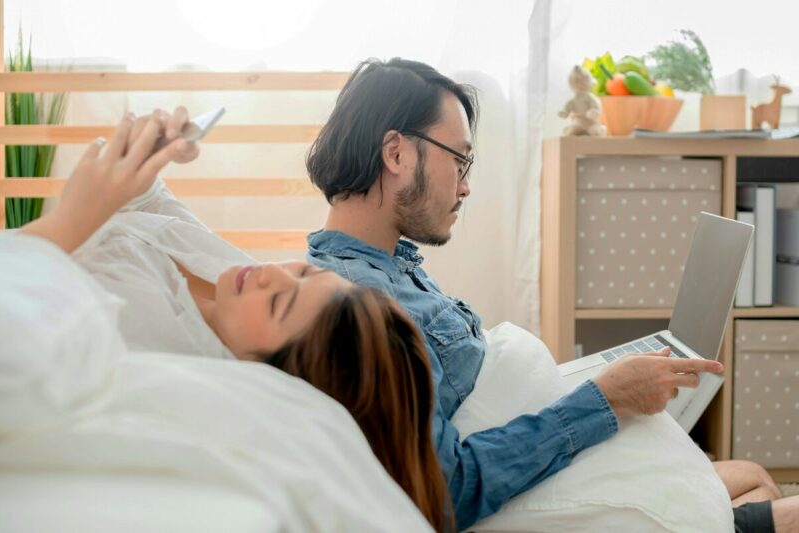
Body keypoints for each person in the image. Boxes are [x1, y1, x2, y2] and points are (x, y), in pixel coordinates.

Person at [305, 57, 799, 533]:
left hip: (561, 458)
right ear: (396, 154)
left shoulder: (387, 265)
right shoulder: (364, 303)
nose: (466, 186)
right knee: (760, 492)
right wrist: (605, 398)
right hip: (548, 484)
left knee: (752, 477)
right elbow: (443, 489)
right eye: (459, 161)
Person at [18, 108, 450, 532]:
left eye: (279, 303)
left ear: (274, 375)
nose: (272, 273)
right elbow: (149, 201)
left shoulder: (153, 344)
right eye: (304, 272)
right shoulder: (233, 278)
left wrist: (67, 224)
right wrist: (151, 152)